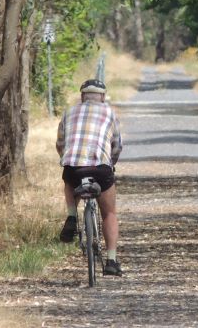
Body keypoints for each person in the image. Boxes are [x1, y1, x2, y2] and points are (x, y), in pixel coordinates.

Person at [56, 79, 123, 276]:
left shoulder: (69, 112)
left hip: (74, 168)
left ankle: (71, 215)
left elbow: (60, 143)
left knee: (68, 176)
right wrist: (112, 164)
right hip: (101, 168)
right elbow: (117, 146)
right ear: (103, 97)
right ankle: (111, 260)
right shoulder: (110, 113)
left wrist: (67, 157)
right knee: (109, 213)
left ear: (82, 96)